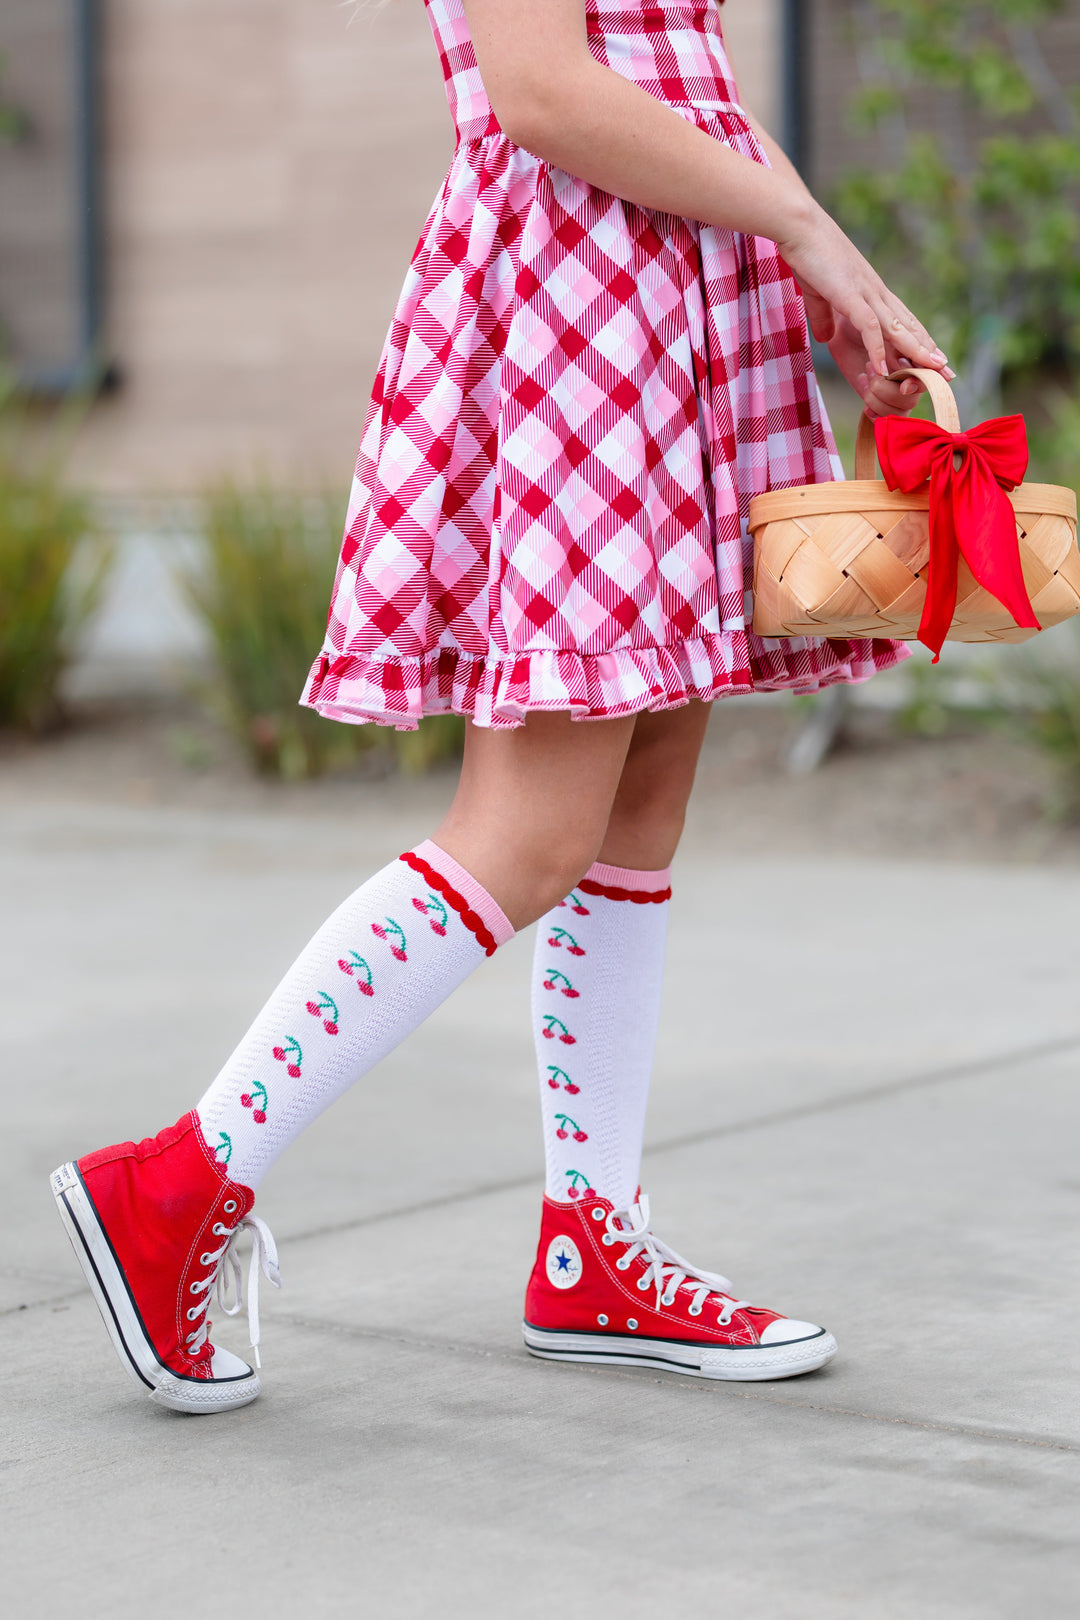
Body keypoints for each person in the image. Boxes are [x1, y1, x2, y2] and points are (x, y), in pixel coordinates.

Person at [51, 0, 951, 1413]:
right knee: (527, 831)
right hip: (584, 303)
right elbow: (538, 89)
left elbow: (681, 76)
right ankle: (177, 1180)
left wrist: (815, 250)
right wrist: (801, 229)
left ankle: (594, 1242)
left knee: (639, 806)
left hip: (678, 298)